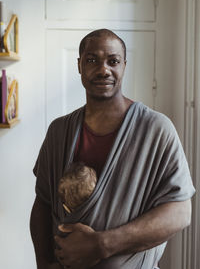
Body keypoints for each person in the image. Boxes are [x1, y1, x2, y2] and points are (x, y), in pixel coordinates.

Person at [30, 29, 195, 269]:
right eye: (92, 60)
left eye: (113, 61)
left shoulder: (156, 130)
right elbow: (43, 203)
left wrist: (102, 244)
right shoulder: (59, 132)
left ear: (124, 66)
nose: (103, 69)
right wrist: (43, 263)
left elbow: (180, 213)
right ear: (79, 66)